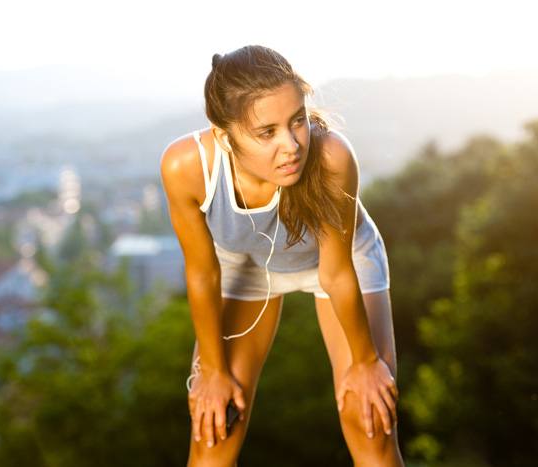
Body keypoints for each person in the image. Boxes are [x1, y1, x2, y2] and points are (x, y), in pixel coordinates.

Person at [160, 45, 404, 467]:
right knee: (214, 428)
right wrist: (213, 372)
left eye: (297, 121)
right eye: (266, 132)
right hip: (247, 266)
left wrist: (366, 364)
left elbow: (338, 273)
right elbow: (202, 276)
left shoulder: (332, 157)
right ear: (225, 136)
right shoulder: (186, 167)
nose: (291, 145)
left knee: (369, 421)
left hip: (340, 262)